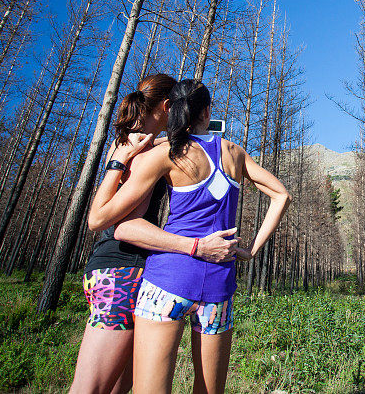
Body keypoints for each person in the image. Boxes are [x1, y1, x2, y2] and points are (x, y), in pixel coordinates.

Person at [88, 79, 291, 394]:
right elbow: (281, 195)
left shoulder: (166, 153)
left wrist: (122, 160)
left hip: (165, 281)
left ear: (172, 109)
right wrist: (250, 249)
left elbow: (111, 218)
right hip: (218, 285)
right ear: (207, 111)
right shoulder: (234, 152)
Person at [70, 74, 238, 394]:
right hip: (121, 270)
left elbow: (215, 129)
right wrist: (194, 246)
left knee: (122, 386)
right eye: (178, 108)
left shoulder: (147, 142)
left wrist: (186, 131)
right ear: (166, 106)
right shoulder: (136, 148)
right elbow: (113, 222)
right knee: (91, 388)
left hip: (129, 269)